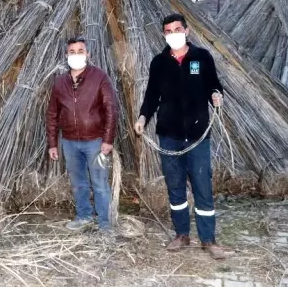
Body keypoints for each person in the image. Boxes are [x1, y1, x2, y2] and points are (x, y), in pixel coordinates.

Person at [134, 14, 226, 260]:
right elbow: (152, 95)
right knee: (175, 187)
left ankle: (209, 239)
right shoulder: (159, 62)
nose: (173, 33)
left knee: (202, 186)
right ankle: (182, 234)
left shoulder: (202, 57)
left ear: (187, 30)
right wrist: (143, 117)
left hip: (197, 135)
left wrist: (216, 96)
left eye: (177, 29)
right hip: (169, 135)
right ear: (164, 35)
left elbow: (214, 86)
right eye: (168, 30)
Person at [46, 37, 118, 233]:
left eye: (80, 51)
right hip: (69, 142)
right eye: (72, 51)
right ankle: (84, 216)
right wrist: (53, 143)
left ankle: (104, 223)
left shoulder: (99, 77)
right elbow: (52, 114)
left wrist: (108, 139)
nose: (76, 55)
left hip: (95, 141)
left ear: (88, 54)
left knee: (100, 183)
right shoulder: (60, 82)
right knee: (78, 183)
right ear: (66, 55)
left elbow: (111, 109)